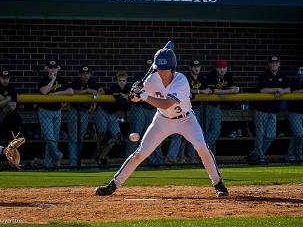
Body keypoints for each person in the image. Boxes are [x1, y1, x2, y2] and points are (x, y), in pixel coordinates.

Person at [95, 48, 229, 197]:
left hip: (186, 119)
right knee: (141, 152)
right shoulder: (152, 79)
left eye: (165, 69)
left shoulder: (181, 80)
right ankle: (114, 184)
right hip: (162, 120)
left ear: (172, 68)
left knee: (202, 147)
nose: (161, 72)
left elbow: (166, 103)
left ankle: (218, 183)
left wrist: (144, 96)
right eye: (159, 69)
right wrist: (134, 92)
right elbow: (133, 99)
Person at [165, 59, 212, 164]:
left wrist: (202, 91)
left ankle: (191, 157)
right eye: (194, 66)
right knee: (179, 135)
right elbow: (187, 91)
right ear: (190, 68)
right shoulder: (184, 77)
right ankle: (176, 158)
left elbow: (208, 90)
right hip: (183, 109)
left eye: (198, 66)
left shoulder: (201, 78)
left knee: (193, 136)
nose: (196, 68)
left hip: (197, 109)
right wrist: (201, 91)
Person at [247, 56, 290, 164]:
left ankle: (256, 153)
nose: (274, 64)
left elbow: (289, 89)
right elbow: (263, 90)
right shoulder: (264, 75)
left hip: (273, 111)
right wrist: (277, 89)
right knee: (260, 134)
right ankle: (259, 156)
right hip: (261, 110)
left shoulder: (282, 75)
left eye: (276, 63)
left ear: (279, 64)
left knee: (271, 135)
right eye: (272, 63)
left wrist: (282, 91)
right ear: (269, 64)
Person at [126, 59, 164, 164]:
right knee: (135, 135)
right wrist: (138, 89)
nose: (150, 68)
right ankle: (129, 160)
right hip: (140, 109)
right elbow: (132, 97)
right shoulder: (139, 79)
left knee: (154, 137)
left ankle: (156, 162)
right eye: (148, 66)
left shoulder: (159, 78)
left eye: (151, 66)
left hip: (153, 109)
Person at [38, 60, 73, 168]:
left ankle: (48, 164)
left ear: (58, 68)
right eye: (51, 67)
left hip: (57, 111)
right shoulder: (43, 79)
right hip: (45, 111)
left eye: (55, 68)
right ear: (47, 68)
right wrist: (53, 79)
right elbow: (44, 92)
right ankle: (57, 156)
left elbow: (71, 92)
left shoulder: (62, 80)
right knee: (49, 138)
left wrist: (57, 93)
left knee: (55, 139)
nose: (53, 70)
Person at [67, 66, 103, 166]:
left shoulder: (92, 82)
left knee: (80, 138)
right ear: (79, 74)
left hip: (85, 112)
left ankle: (77, 161)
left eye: (87, 73)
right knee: (73, 137)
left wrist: (95, 93)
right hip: (74, 111)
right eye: (83, 73)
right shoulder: (76, 81)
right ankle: (73, 162)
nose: (85, 75)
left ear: (90, 74)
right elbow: (72, 92)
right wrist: (88, 91)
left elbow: (101, 92)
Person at [94, 71, 131, 166]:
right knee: (102, 135)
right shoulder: (113, 87)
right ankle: (99, 155)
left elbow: (131, 97)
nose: (122, 82)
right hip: (102, 111)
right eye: (120, 80)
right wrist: (125, 97)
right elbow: (122, 102)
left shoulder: (128, 88)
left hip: (112, 114)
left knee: (117, 137)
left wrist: (125, 96)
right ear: (116, 81)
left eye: (124, 80)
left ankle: (102, 156)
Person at [205, 59, 239, 153]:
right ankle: (204, 151)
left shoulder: (228, 76)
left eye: (224, 68)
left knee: (216, 130)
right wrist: (226, 92)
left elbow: (234, 89)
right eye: (220, 68)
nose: (222, 70)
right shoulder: (211, 75)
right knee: (205, 130)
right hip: (206, 106)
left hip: (216, 107)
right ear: (216, 68)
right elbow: (212, 91)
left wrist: (224, 92)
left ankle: (204, 149)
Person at [0, 69, 18, 168]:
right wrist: (7, 99)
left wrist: (1, 98)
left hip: (3, 117)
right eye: (3, 78)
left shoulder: (12, 88)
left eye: (7, 78)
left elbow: (12, 107)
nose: (5, 80)